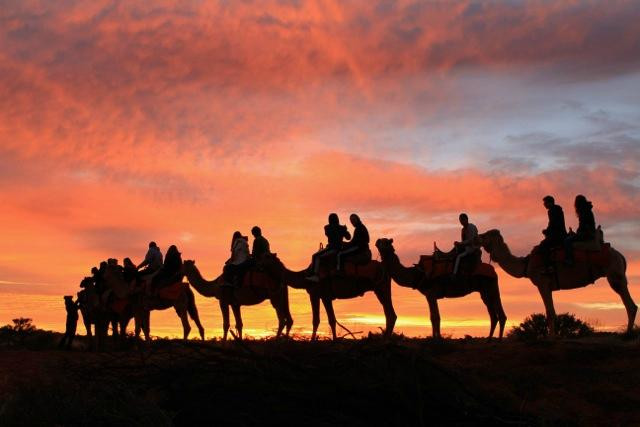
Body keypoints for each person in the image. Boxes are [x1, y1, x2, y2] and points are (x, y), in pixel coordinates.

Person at [307, 213, 351, 282]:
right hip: (338, 248)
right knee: (317, 256)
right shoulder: (338, 228)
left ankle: (315, 275)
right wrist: (344, 230)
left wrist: (344, 230)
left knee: (315, 256)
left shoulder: (327, 227)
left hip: (333, 248)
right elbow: (348, 237)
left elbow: (348, 237)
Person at [564, 195, 596, 266]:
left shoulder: (583, 211)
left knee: (567, 241)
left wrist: (577, 233)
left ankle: (569, 260)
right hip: (588, 232)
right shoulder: (586, 210)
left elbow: (583, 225)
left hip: (587, 233)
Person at [539, 195, 567, 272]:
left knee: (543, 246)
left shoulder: (552, 210)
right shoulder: (557, 210)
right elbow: (552, 223)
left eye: (545, 203)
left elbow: (553, 224)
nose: (544, 204)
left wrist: (546, 231)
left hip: (558, 236)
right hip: (561, 234)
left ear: (550, 202)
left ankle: (549, 267)